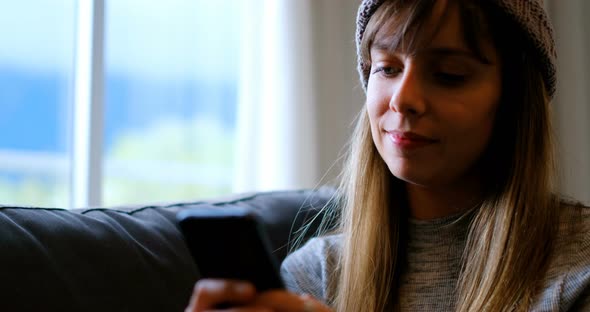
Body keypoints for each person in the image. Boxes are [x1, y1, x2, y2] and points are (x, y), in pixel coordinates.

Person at [185, 0, 590, 311]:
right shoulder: (319, 275)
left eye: (449, 75)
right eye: (387, 68)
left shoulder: (578, 264)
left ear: (516, 103)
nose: (404, 99)